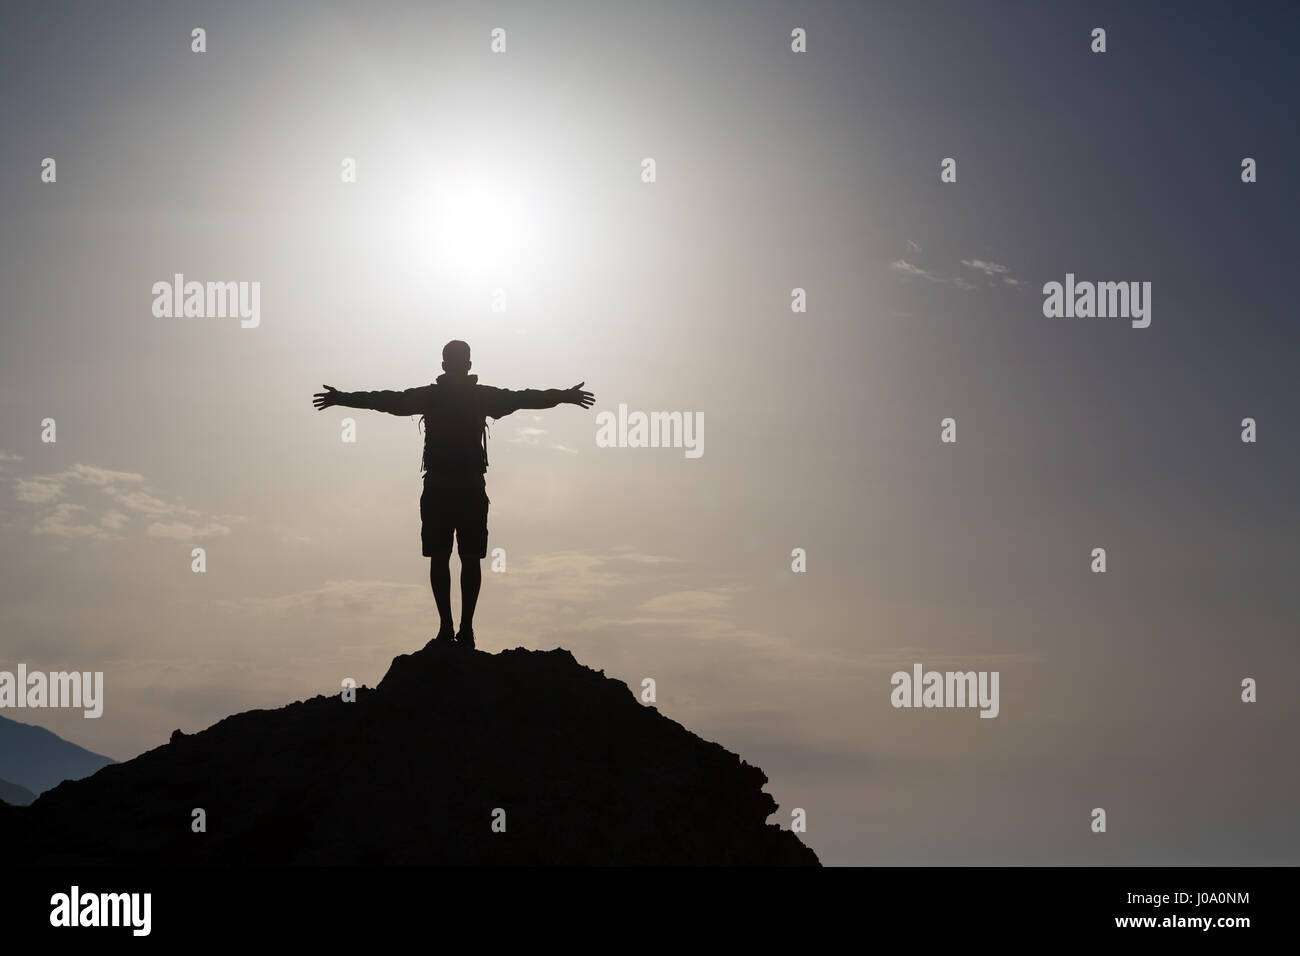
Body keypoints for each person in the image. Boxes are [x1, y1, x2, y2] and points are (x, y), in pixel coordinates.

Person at [312, 340, 594, 648]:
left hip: (443, 489)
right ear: (468, 365)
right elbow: (526, 398)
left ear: (445, 365)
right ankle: (461, 628)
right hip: (466, 488)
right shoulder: (478, 396)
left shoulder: (436, 396)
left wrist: (342, 399)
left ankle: (452, 627)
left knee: (444, 557)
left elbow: (386, 401)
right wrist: (564, 396)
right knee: (464, 558)